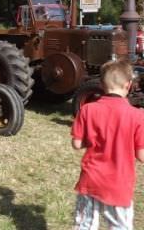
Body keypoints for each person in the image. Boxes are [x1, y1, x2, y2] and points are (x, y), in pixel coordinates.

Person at [71, 59, 144, 229]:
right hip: (119, 184)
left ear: (102, 85)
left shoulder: (87, 109)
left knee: (84, 225)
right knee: (120, 226)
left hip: (91, 180)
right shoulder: (137, 116)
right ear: (129, 85)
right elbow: (141, 156)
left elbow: (76, 143)